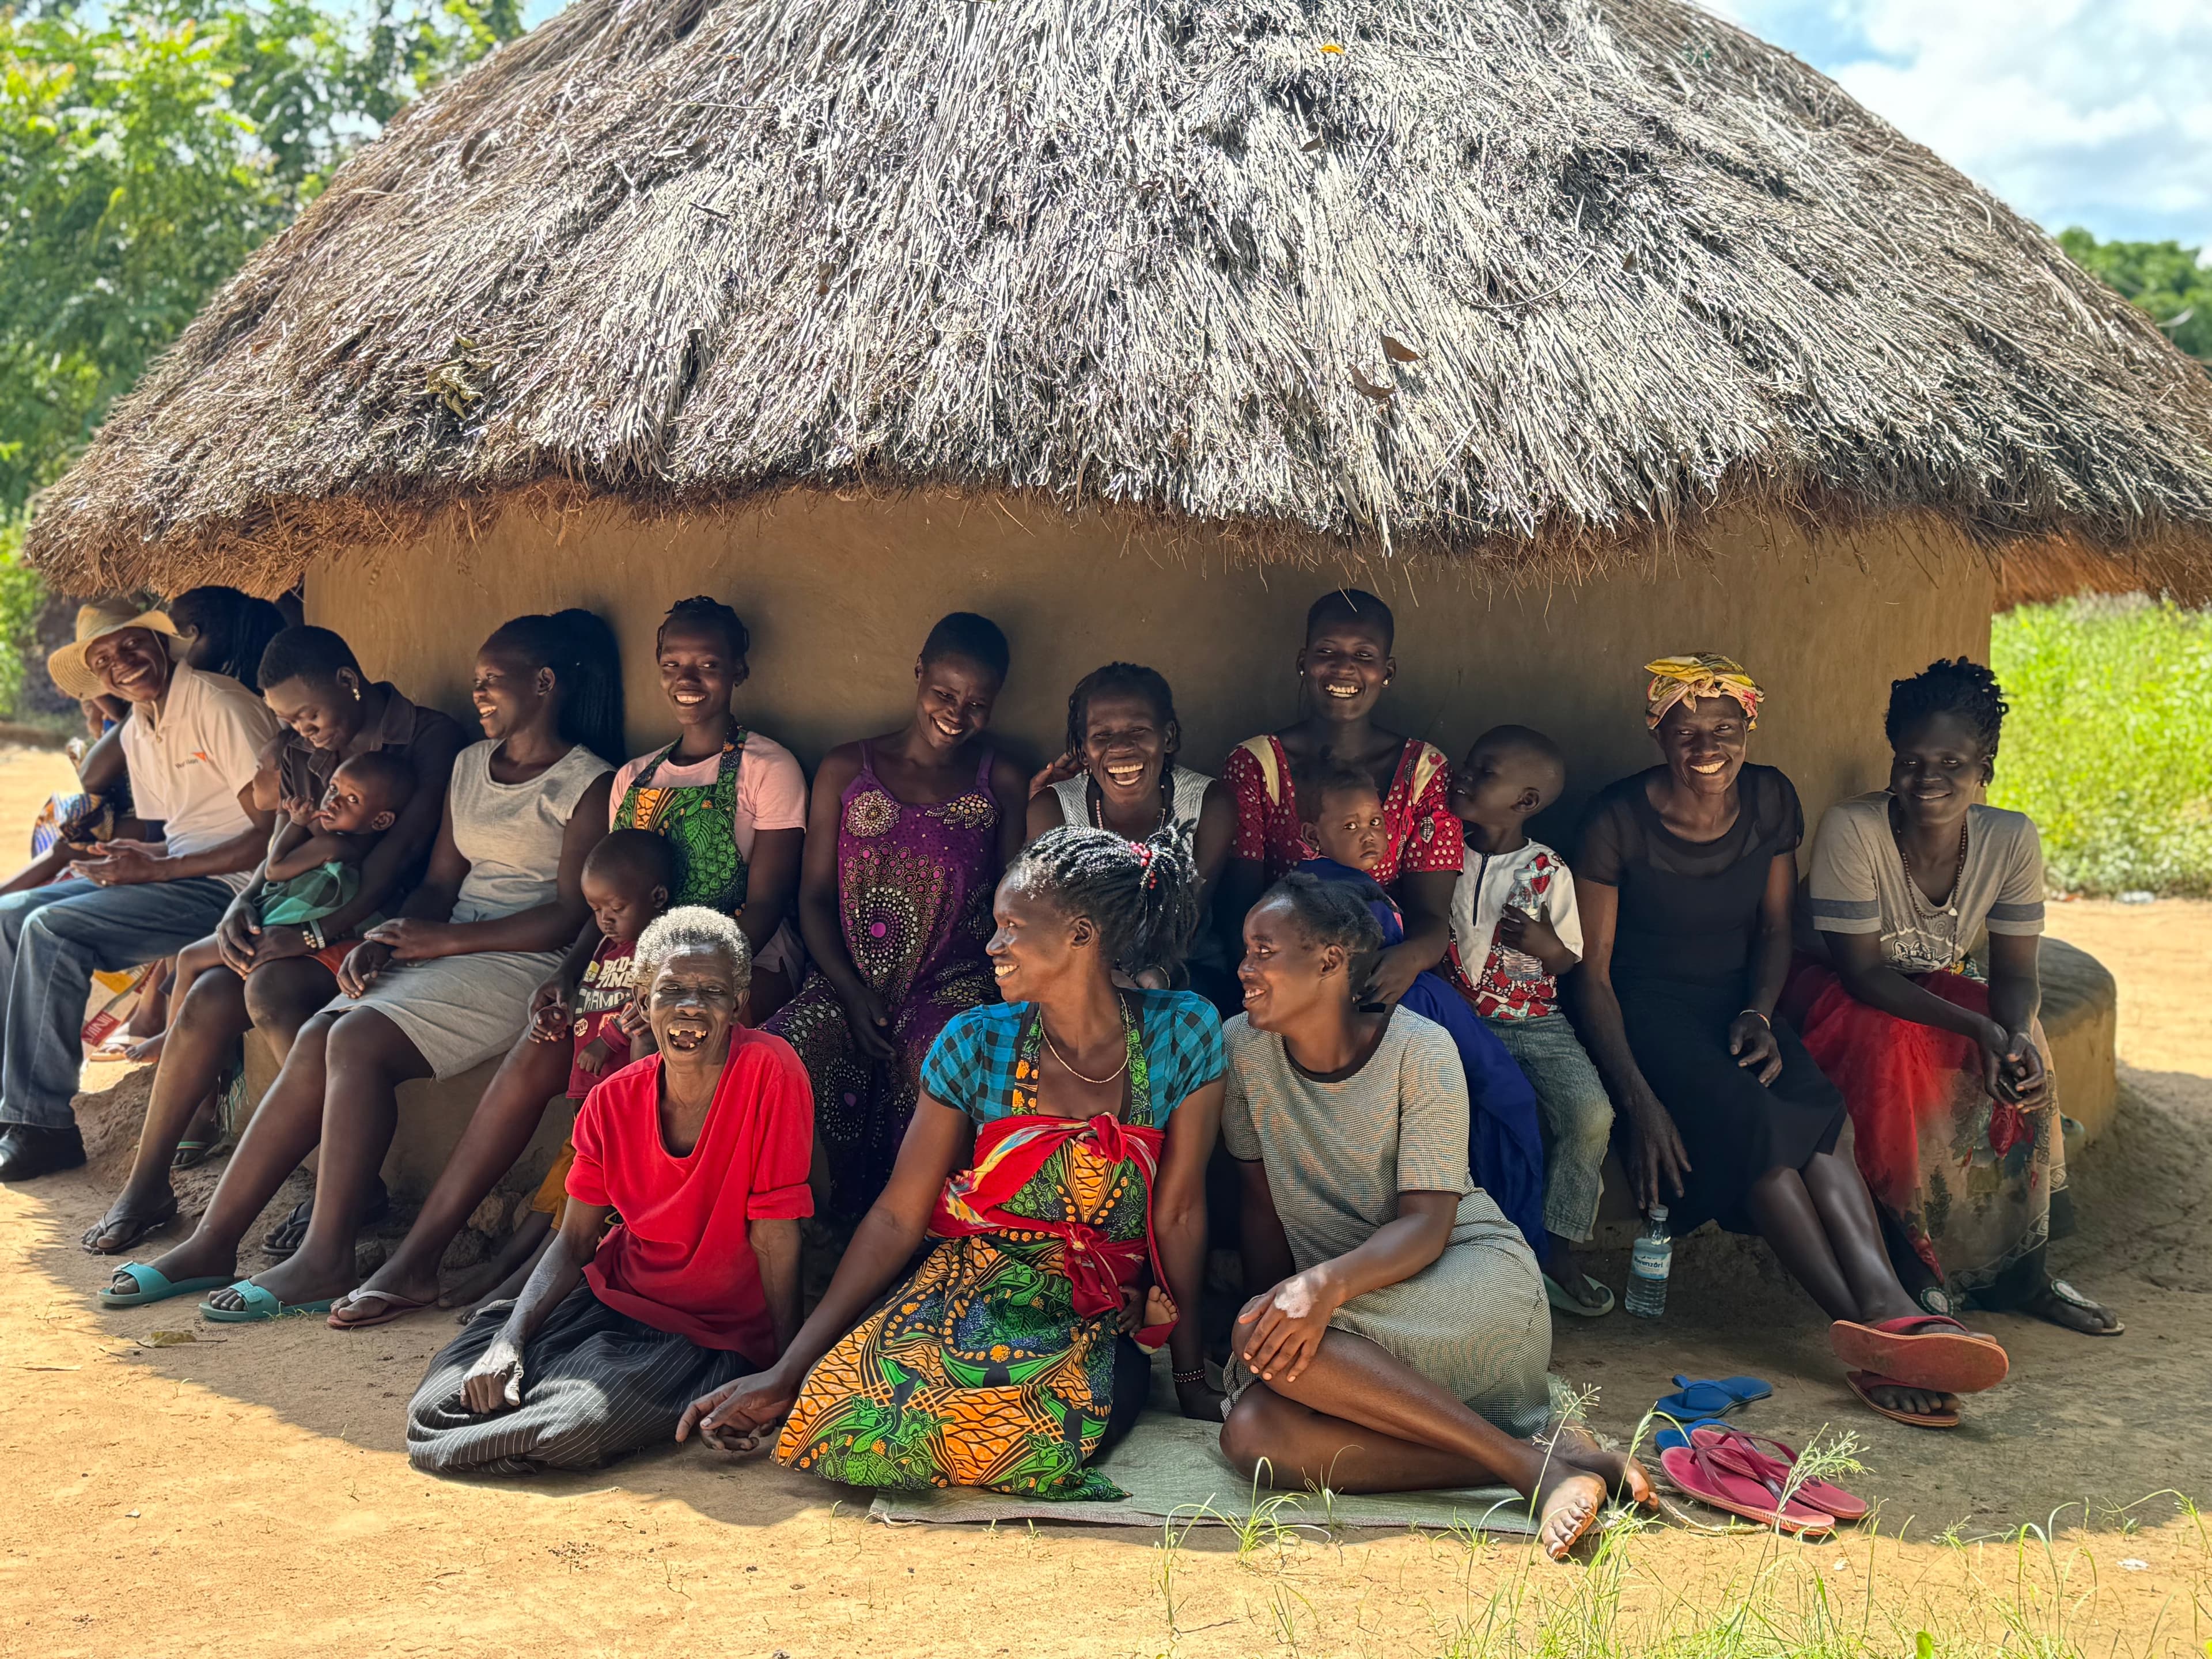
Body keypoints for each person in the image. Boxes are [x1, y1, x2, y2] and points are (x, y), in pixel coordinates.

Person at [100, 611, 622, 1317]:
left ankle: (326, 1255)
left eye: (493, 683)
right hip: (452, 942)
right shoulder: (470, 765)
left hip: (522, 957)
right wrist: (390, 938)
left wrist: (443, 943)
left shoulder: (588, 784)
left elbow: (567, 916)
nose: (479, 696)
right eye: (476, 683)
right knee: (319, 1033)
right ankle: (216, 1239)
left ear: (546, 684)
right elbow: (441, 882)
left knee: (349, 1037)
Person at [683, 825, 1222, 1497]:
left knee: (1013, 1434)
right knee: (846, 1410)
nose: (992, 946)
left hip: (1090, 1310)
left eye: (1011, 928)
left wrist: (1192, 1371)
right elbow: (895, 1218)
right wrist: (789, 1370)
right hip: (961, 1296)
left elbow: (1180, 1212)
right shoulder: (973, 1041)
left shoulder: (1184, 1032)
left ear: (1081, 935)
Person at [329, 595, 808, 1326]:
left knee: (650, 1050)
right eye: (675, 664)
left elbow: (768, 901)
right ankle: (420, 1256)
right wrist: (567, 975)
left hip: (735, 962)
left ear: (738, 670)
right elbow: (604, 907)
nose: (690, 679)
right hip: (630, 962)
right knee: (543, 1043)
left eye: (709, 665)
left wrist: (683, 980)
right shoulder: (634, 779)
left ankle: (534, 1264)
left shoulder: (769, 768)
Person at [1574, 655, 2009, 1429]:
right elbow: (1595, 978)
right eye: (1687, 730)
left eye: (1725, 729)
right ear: (1658, 732)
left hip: (1739, 1006)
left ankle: (1887, 1307)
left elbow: (1777, 928)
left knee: (1819, 1114)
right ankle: (1873, 1332)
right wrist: (1640, 1101)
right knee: (1763, 1136)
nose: (1707, 746)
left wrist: (1764, 1015)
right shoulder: (1614, 822)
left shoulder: (1772, 799)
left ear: (1749, 730)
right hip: (1647, 1016)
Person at [1214, 875, 1652, 1562]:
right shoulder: (1242, 1048)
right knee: (1254, 1439)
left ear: (1330, 960)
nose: (1245, 968)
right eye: (1246, 951)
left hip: (1467, 1277)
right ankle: (1535, 1457)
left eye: (1264, 950)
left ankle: (1528, 1473)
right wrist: (1277, 1315)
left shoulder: (1420, 1049)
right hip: (1362, 1314)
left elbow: (1428, 1225)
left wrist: (1320, 1291)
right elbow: (1260, 1202)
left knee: (1254, 1331)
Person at [79, 625, 464, 1255]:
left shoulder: (427, 736)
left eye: (309, 714)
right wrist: (240, 906)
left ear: (349, 681)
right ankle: (147, 1187)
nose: (305, 731)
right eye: (291, 721)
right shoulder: (299, 749)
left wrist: (316, 932)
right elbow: (280, 842)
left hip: (377, 926)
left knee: (271, 987)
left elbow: (401, 854)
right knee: (205, 994)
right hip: (300, 918)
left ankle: (352, 1183)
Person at [407, 908, 811, 1475]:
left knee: (574, 1426)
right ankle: (513, 1411)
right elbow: (573, 1245)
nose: (690, 1006)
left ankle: (528, 1426)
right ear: (642, 1002)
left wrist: (782, 1369)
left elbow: (774, 1234)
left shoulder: (771, 1071)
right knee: (444, 1396)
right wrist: (510, 1341)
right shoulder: (610, 1100)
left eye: (713, 992)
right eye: (671, 990)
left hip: (712, 1333)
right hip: (613, 1303)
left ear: (739, 1002)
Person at [1790, 658, 2119, 1335]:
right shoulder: (1854, 829)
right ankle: (1916, 1275)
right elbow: (1860, 975)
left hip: (1915, 984)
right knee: (1895, 1051)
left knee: (2030, 1059)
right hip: (1824, 985)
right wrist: (1981, 1031)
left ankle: (2021, 1273)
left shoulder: (2010, 838)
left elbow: (2016, 973)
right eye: (1910, 760)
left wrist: (2014, 1034)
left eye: (1951, 761)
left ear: (1985, 766)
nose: (1927, 778)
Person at [334, 829, 672, 1326]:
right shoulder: (606, 945)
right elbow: (595, 1004)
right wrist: (562, 1016)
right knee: (550, 1202)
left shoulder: (655, 948)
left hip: (619, 1111)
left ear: (658, 899)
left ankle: (515, 1290)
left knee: (572, 1210)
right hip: (588, 1106)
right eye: (596, 909)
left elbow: (641, 1012)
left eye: (615, 908)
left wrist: (608, 1044)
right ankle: (500, 1269)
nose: (603, 920)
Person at [0, 603, 279, 1183]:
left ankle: (44, 1127)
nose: (121, 665)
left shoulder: (217, 704)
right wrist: (133, 858)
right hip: (185, 874)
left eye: (131, 646)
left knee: (50, 930)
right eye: (104, 660)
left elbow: (270, 840)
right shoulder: (144, 722)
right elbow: (179, 835)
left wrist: (154, 871)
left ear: (160, 643)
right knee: (10, 914)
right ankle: (17, 1105)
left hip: (233, 891)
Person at [765, 612, 1028, 1219]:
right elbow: (812, 897)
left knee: (945, 1057)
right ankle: (801, 1228)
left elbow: (1017, 905)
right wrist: (851, 993)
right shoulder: (846, 771)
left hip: (954, 985)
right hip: (844, 978)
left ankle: (917, 1238)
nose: (957, 713)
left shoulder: (1002, 780)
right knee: (780, 1053)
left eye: (977, 702)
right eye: (943, 692)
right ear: (918, 673)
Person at [1296, 770, 1547, 1256]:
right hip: (1406, 1023)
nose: (1368, 834)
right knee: (1507, 1103)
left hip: (1425, 1016)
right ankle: (1518, 1249)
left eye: (1375, 821)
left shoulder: (1352, 887)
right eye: (1349, 827)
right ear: (1312, 837)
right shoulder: (1328, 894)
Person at [1445, 725, 1618, 1317]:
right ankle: (1475, 1252)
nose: (1465, 777)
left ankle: (1560, 1244)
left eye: (1484, 772)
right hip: (1464, 1024)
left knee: (1591, 1116)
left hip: (1537, 1022)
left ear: (1525, 802)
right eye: (1468, 765)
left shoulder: (1548, 870)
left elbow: (1572, 958)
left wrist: (1545, 942)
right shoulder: (1439, 851)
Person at [1218, 589, 1459, 1005]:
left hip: (1386, 979)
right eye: (1327, 651)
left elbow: (1433, 918)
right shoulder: (1257, 765)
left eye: (1364, 656)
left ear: (1388, 670)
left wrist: (1406, 961)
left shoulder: (1423, 770)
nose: (1344, 668)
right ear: (1303, 663)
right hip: (1284, 976)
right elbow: (1238, 909)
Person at [1026, 662, 1238, 1007]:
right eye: (1102, 736)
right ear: (1083, 750)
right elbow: (1054, 922)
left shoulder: (1209, 803)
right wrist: (1104, 976)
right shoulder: (1053, 811)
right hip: (1083, 971)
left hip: (1186, 972)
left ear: (1167, 737)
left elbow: (1189, 917)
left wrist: (1159, 974)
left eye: (1138, 730)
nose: (1122, 747)